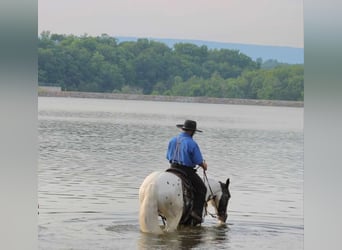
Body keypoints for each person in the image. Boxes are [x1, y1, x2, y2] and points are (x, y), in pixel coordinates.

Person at [166, 119, 208, 224]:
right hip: (185, 171)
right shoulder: (192, 143)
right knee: (202, 189)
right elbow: (198, 160)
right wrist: (203, 165)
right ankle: (196, 213)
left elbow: (168, 156)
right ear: (192, 131)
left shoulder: (172, 140)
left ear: (183, 129)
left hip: (172, 168)